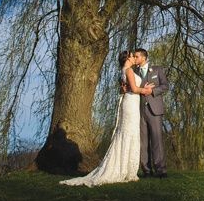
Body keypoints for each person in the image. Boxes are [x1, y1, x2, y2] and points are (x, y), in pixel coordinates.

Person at [61, 51, 148, 187]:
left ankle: (124, 167)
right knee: (129, 133)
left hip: (129, 102)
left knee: (126, 133)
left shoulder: (123, 70)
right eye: (132, 56)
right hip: (131, 104)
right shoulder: (129, 70)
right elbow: (135, 89)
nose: (134, 58)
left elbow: (123, 90)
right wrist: (146, 90)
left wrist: (127, 89)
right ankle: (126, 170)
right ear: (128, 58)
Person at [133, 48, 170, 178]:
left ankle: (161, 170)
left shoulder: (157, 69)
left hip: (155, 110)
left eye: (136, 56)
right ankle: (146, 170)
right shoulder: (133, 71)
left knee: (157, 140)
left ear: (144, 57)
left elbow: (165, 86)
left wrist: (152, 91)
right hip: (140, 110)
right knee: (143, 142)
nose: (135, 59)